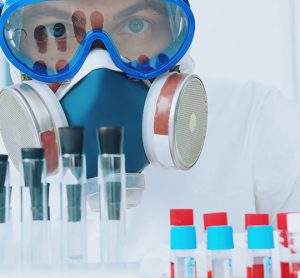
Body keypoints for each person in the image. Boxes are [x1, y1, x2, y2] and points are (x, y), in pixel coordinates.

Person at [1, 0, 300, 275]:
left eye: (136, 24)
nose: (98, 69)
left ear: (174, 33)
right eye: (57, 30)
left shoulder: (255, 123)